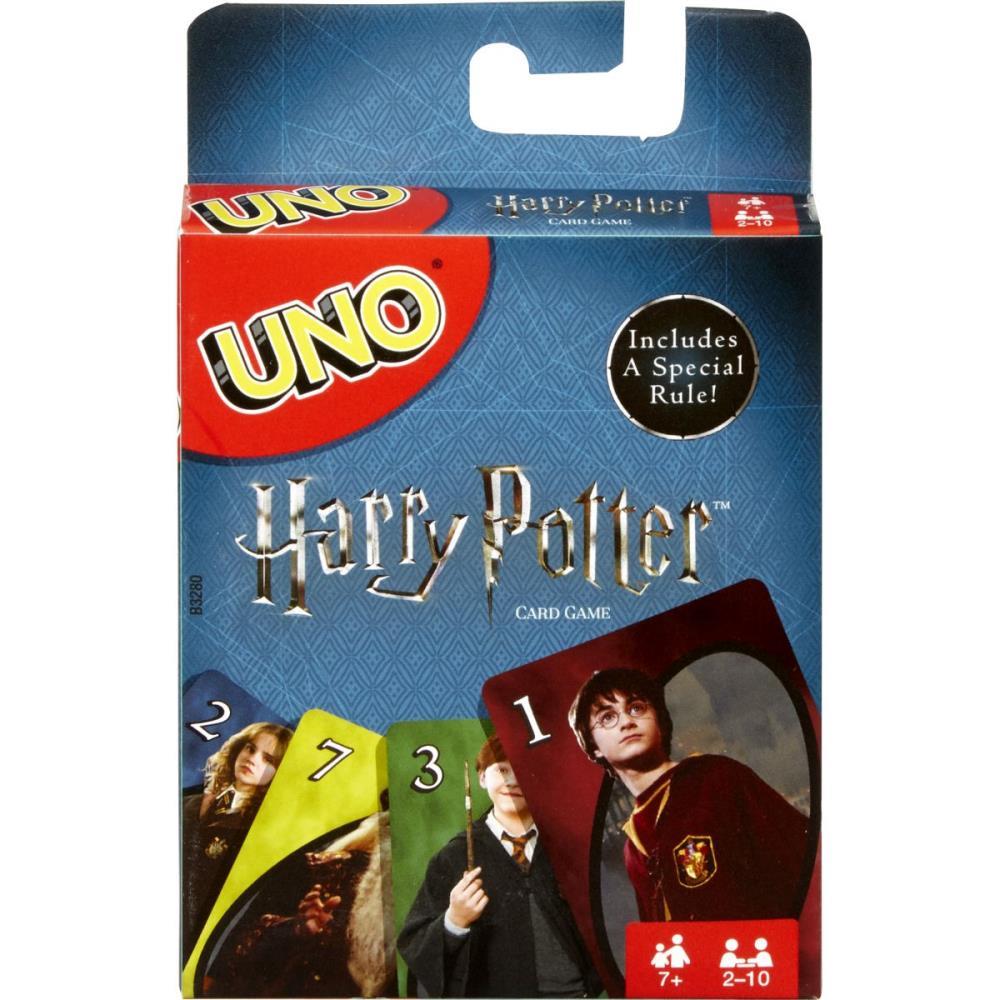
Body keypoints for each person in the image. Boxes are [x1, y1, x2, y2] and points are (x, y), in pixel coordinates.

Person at [568, 668, 809, 923]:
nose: (627, 722)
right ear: (593, 746)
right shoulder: (633, 849)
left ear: (659, 721)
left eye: (637, 708)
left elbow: (806, 861)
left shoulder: (716, 777)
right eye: (607, 717)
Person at [398, 735, 602, 998]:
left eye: (523, 771)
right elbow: (416, 947)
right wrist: (454, 920)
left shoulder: (568, 849)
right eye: (502, 770)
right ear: (482, 778)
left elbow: (605, 928)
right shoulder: (454, 857)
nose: (513, 781)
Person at [182, 721, 292, 962]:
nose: (252, 759)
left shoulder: (265, 830)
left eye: (268, 759)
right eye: (250, 749)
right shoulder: (189, 804)